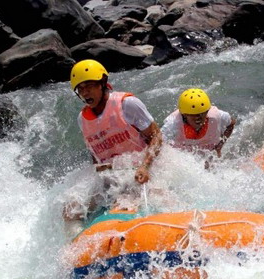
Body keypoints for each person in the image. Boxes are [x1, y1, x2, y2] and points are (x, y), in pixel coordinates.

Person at [64, 59, 162, 221]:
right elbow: (94, 154)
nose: (85, 93)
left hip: (140, 171)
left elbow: (156, 136)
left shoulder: (127, 104)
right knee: (70, 211)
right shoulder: (82, 119)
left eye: (89, 85)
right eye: (80, 89)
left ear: (102, 82)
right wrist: (99, 172)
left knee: (123, 204)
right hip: (113, 177)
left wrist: (145, 167)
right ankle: (75, 241)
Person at [161, 88, 236, 167]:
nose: (198, 118)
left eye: (202, 113)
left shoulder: (218, 116)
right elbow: (158, 144)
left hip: (208, 154)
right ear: (184, 114)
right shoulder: (173, 124)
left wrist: (220, 146)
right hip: (183, 160)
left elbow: (231, 124)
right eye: (194, 114)